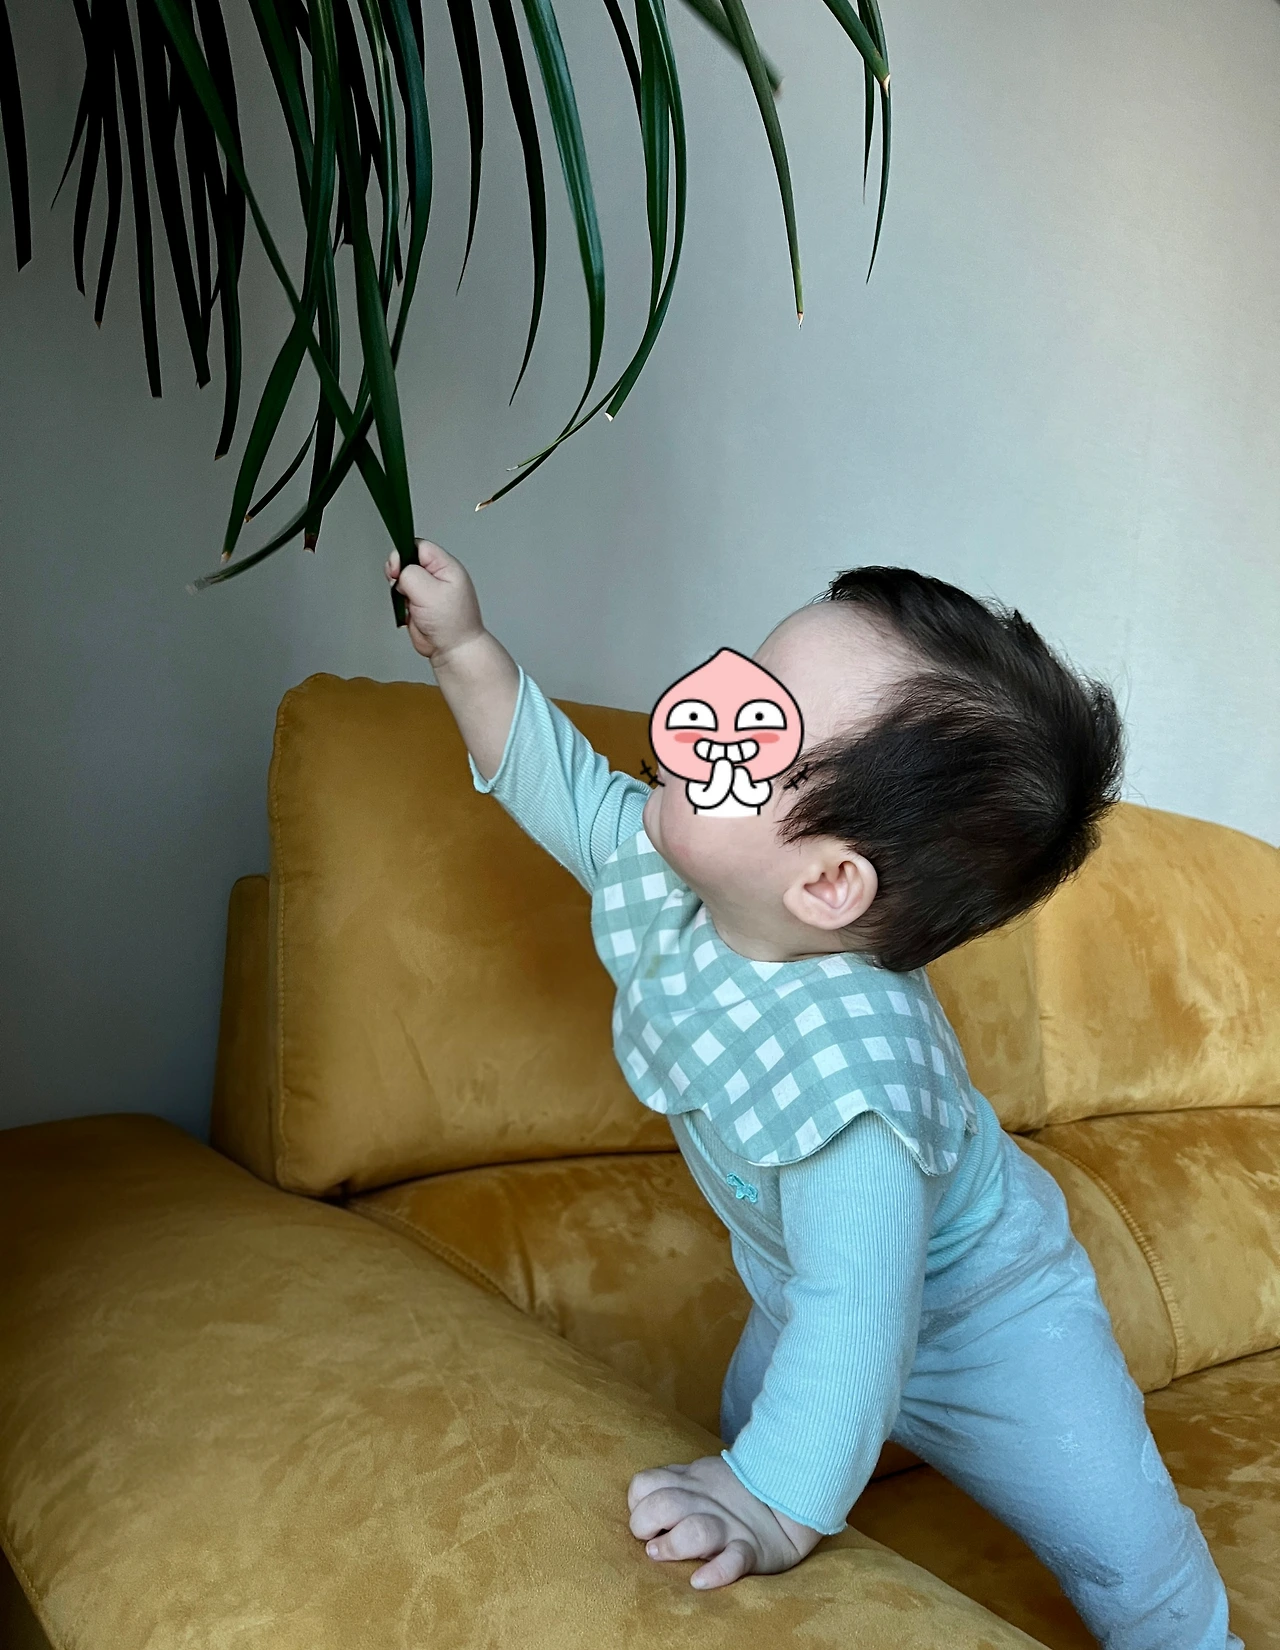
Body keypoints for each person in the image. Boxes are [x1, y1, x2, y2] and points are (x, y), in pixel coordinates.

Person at [387, 540, 1242, 1650]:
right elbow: (559, 785)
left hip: (988, 1328)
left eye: (758, 729)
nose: (697, 715)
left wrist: (774, 1506)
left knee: (1123, 1544)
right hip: (800, 1285)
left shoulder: (859, 1085)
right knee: (749, 1431)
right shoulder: (689, 883)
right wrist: (463, 647)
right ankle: (791, 1460)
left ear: (829, 882)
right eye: (735, 677)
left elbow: (860, 1314)